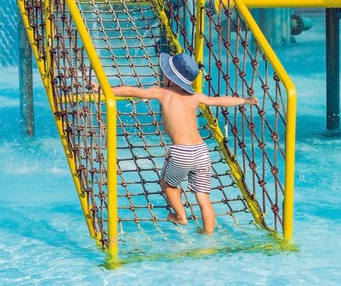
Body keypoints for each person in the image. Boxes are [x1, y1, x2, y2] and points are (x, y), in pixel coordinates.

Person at [94, 52, 258, 234]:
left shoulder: (162, 92)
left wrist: (102, 88)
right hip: (202, 151)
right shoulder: (194, 96)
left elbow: (132, 91)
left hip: (182, 152)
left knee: (168, 183)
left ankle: (180, 216)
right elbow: (219, 101)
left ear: (171, 78)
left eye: (164, 73)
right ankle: (208, 235)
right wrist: (245, 100)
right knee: (204, 198)